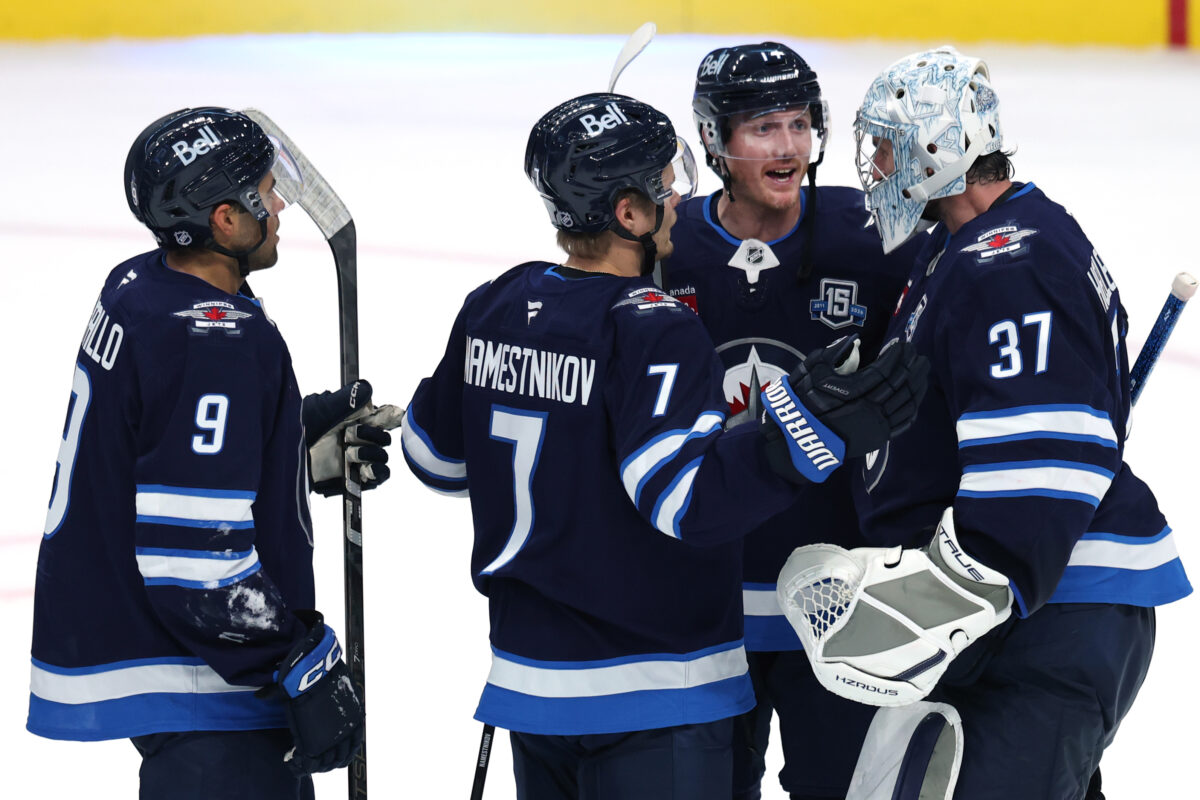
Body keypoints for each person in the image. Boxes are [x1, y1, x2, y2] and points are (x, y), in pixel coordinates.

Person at [400, 92, 928, 800]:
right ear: (628, 214)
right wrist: (801, 432)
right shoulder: (654, 324)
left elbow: (433, 456)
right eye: (664, 188)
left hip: (528, 683)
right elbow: (686, 501)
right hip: (652, 689)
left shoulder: (494, 303)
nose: (679, 201)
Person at [779, 47, 1191, 800]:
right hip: (1023, 616)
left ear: (938, 149)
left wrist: (944, 594)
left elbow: (1045, 467)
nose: (875, 167)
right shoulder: (968, 245)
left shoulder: (1009, 261)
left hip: (1050, 607)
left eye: (886, 145)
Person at [27, 107, 395, 799]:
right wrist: (299, 659)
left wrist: (286, 447)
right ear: (226, 219)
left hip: (173, 675)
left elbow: (159, 445)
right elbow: (195, 560)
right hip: (209, 690)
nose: (281, 204)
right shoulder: (213, 337)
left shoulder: (139, 286)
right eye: (266, 190)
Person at [662, 42, 928, 800]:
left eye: (799, 124)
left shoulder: (872, 233)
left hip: (843, 598)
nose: (788, 147)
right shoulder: (665, 245)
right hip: (704, 607)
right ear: (714, 141)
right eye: (762, 129)